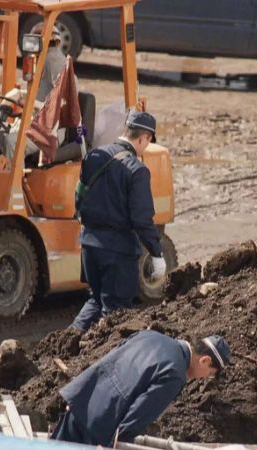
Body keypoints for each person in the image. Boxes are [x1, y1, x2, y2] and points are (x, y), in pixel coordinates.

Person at [70, 111, 166, 332]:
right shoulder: (137, 170)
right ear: (144, 138)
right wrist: (156, 253)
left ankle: (67, 344)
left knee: (95, 301)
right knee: (116, 314)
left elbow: (78, 196)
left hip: (89, 245)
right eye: (147, 143)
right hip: (117, 252)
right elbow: (142, 219)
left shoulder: (93, 157)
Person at [51, 331, 230, 446]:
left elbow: (109, 359)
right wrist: (117, 442)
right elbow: (138, 414)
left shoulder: (151, 336)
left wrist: (77, 397)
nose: (205, 378)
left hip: (81, 402)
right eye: (209, 373)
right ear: (205, 360)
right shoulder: (174, 374)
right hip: (99, 428)